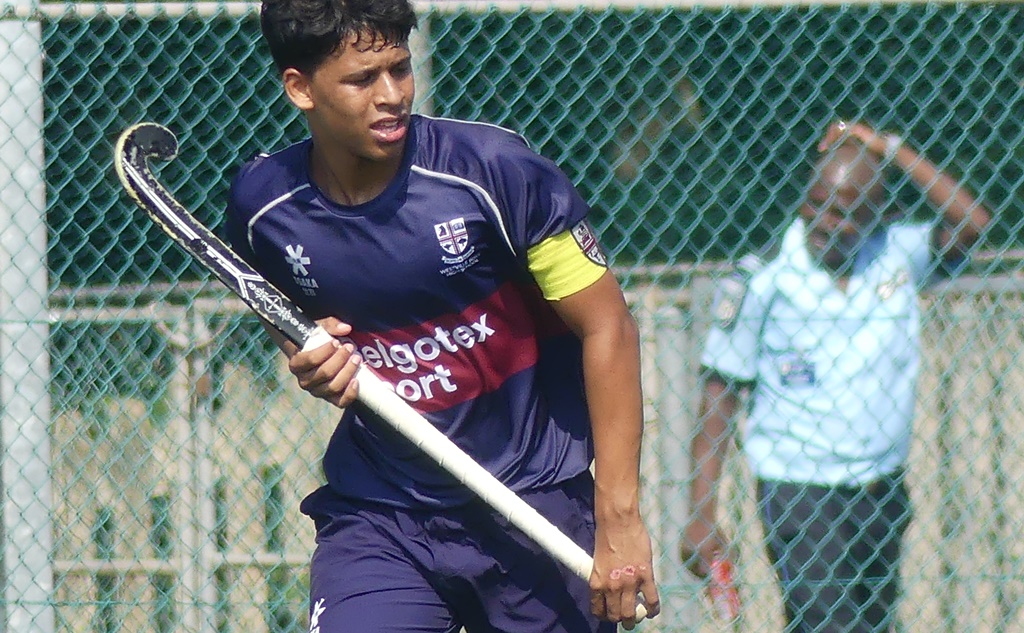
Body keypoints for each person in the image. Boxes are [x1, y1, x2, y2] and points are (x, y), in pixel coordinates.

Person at [223, 0, 661, 631]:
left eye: (399, 69)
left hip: (532, 503)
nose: (392, 95)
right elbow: (289, 318)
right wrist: (311, 361)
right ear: (300, 87)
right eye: (361, 79)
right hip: (383, 514)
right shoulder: (266, 205)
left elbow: (608, 326)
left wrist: (620, 518)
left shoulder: (498, 174)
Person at [680, 120, 992, 632]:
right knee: (827, 624)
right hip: (800, 491)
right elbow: (719, 392)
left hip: (882, 486)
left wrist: (890, 148)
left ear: (878, 217)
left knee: (873, 624)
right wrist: (701, 512)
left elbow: (972, 222)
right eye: (816, 202)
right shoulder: (765, 279)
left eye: (846, 212)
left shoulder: (895, 257)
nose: (824, 220)